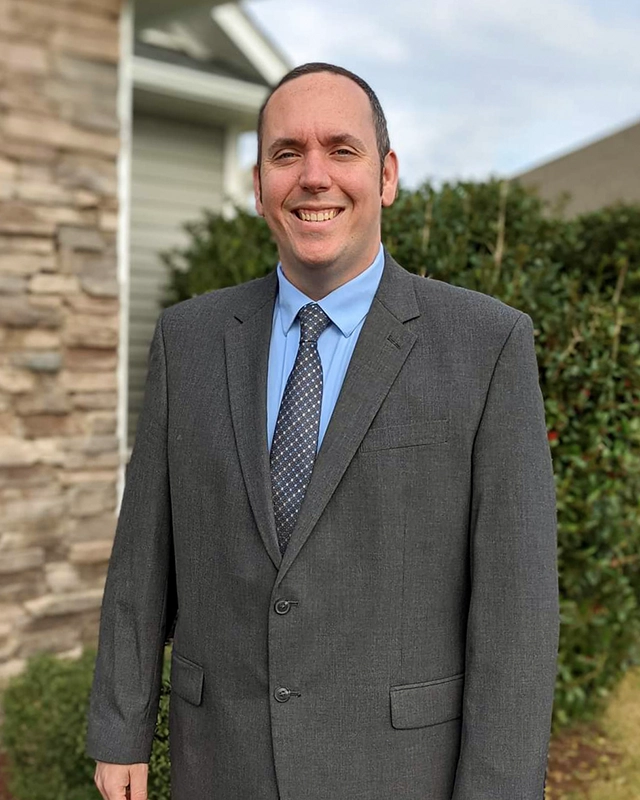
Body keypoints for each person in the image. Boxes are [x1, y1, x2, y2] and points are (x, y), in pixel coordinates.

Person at [87, 62, 559, 800]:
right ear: (257, 185)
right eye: (286, 154)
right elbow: (143, 559)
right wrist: (120, 729)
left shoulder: (486, 345)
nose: (314, 176)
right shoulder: (190, 339)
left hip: (401, 773)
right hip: (222, 764)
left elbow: (517, 613)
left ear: (387, 176)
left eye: (342, 150)